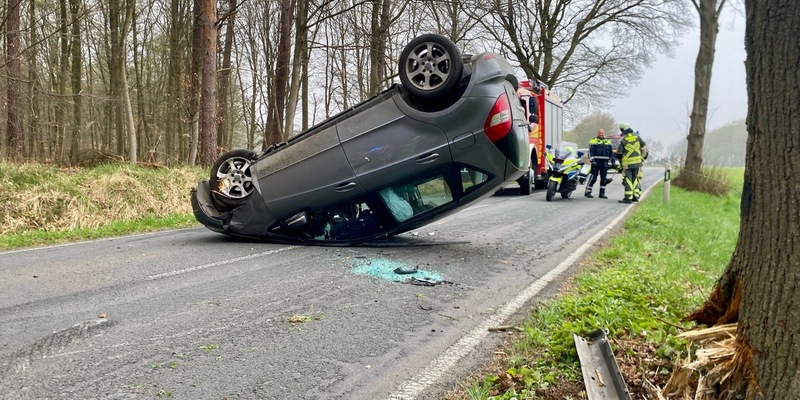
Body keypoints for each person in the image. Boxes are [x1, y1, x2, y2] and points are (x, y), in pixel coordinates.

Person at [615, 123, 647, 204]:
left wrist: (620, 162)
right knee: (635, 179)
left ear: (622, 130)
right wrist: (642, 158)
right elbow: (644, 148)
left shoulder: (624, 140)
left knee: (628, 180)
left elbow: (619, 153)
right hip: (637, 163)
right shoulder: (637, 137)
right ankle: (636, 196)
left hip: (628, 164)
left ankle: (628, 198)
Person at [584, 129, 614, 199]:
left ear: (604, 133)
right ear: (597, 134)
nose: (601, 135)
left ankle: (602, 193)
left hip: (605, 162)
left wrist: (612, 158)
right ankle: (588, 192)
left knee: (603, 178)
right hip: (596, 161)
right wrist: (592, 160)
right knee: (593, 177)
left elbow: (611, 151)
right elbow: (591, 151)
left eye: (602, 133)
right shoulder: (593, 141)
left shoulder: (608, 141)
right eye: (599, 133)